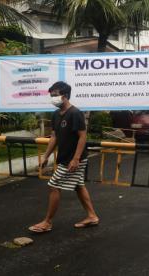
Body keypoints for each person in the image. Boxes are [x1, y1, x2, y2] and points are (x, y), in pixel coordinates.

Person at [28, 81, 99, 233]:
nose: (52, 98)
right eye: (51, 95)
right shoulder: (55, 115)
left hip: (73, 159)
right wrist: (46, 156)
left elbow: (82, 137)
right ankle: (92, 216)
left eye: (54, 95)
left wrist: (76, 159)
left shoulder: (75, 113)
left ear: (65, 96)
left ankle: (47, 222)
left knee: (54, 185)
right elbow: (54, 136)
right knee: (79, 186)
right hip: (64, 157)